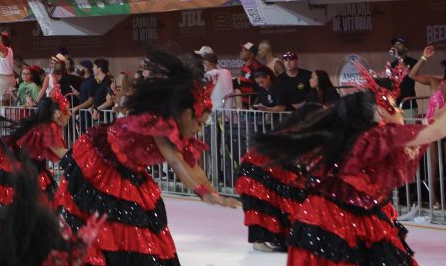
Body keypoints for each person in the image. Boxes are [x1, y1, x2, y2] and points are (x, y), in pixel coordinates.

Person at [54, 50, 239, 265]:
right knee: (111, 223)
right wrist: (202, 193)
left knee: (140, 226)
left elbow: (192, 165)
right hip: (104, 162)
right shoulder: (160, 123)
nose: (199, 129)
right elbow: (175, 160)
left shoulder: (179, 129)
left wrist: (213, 192)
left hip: (130, 171)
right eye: (200, 122)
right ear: (188, 114)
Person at [254, 70, 446, 265]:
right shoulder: (380, 136)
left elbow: (434, 123)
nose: (401, 111)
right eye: (395, 106)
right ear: (381, 111)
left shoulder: (367, 135)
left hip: (337, 213)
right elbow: (436, 130)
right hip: (337, 220)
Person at [0, 91, 71, 238]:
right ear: (57, 114)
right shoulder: (46, 129)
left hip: (24, 165)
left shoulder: (46, 126)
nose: (70, 114)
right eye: (67, 111)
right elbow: (62, 153)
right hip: (9, 165)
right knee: (13, 203)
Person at [235, 103, 322, 253]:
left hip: (273, 169)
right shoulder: (295, 130)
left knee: (282, 202)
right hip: (259, 169)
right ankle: (258, 239)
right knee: (262, 202)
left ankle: (278, 237)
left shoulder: (299, 130)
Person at [409, 45, 446, 208]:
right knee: (433, 164)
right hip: (433, 128)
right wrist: (423, 58)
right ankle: (434, 198)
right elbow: (412, 75)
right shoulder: (435, 82)